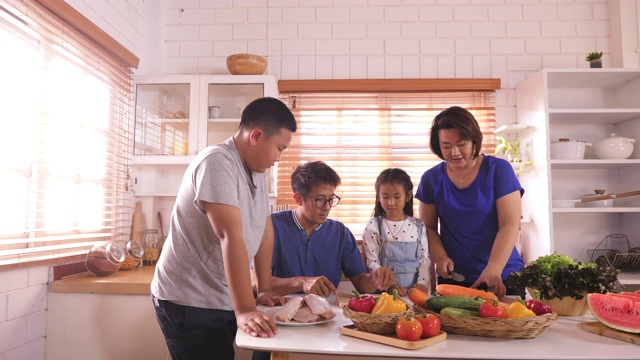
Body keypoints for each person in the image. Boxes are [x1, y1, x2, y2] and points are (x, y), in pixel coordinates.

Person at [150, 97, 297, 360]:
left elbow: (263, 228)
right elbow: (230, 236)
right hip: (189, 299)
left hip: (218, 294)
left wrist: (264, 288)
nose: (279, 157)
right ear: (256, 137)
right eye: (279, 148)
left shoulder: (258, 170)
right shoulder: (217, 162)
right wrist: (244, 310)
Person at [415, 106, 524, 299]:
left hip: (502, 275)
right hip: (455, 279)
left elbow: (510, 223)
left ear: (474, 141)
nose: (454, 152)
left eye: (461, 144)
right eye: (447, 146)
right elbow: (428, 228)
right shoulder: (431, 179)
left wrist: (494, 268)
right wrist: (440, 258)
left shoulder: (498, 170)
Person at [270, 161, 396, 297]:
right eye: (320, 199)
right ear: (298, 199)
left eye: (331, 199)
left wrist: (375, 278)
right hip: (280, 310)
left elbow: (360, 282)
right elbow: (255, 283)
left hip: (326, 313)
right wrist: (301, 282)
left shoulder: (340, 232)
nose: (327, 206)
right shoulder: (272, 227)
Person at [362, 168, 433, 297]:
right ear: (378, 197)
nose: (391, 203)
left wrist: (423, 283)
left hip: (414, 296)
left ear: (408, 196)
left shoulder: (418, 225)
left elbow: (424, 260)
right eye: (385, 197)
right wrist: (389, 286)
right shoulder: (373, 225)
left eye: (397, 197)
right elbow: (372, 262)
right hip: (385, 296)